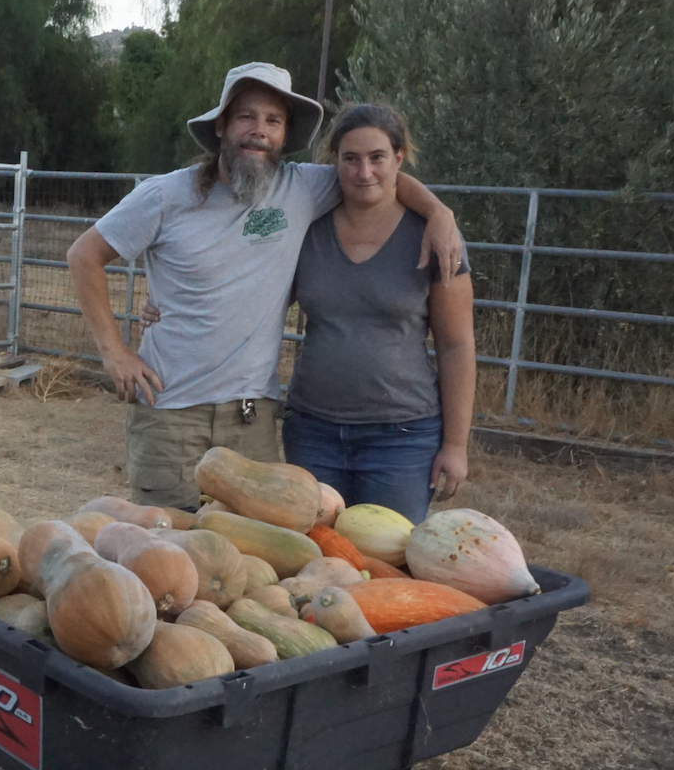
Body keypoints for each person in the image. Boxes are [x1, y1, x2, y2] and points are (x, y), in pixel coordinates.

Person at [67, 62, 463, 510]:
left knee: (247, 560)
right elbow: (84, 255)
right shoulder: (165, 196)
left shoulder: (301, 189)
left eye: (272, 121)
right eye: (246, 117)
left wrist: (438, 213)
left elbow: (376, 172)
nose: (259, 131)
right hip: (170, 413)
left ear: (284, 134)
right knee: (168, 553)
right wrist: (113, 352)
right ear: (221, 126)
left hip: (251, 419)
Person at [281, 103, 476, 523]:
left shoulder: (435, 236)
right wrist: (170, 306)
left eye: (377, 158)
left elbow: (456, 344)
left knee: (393, 568)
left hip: (402, 438)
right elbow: (256, 295)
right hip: (312, 430)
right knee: (315, 561)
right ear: (335, 161)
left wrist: (456, 446)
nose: (364, 172)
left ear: (399, 159)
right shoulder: (307, 230)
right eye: (350, 159)